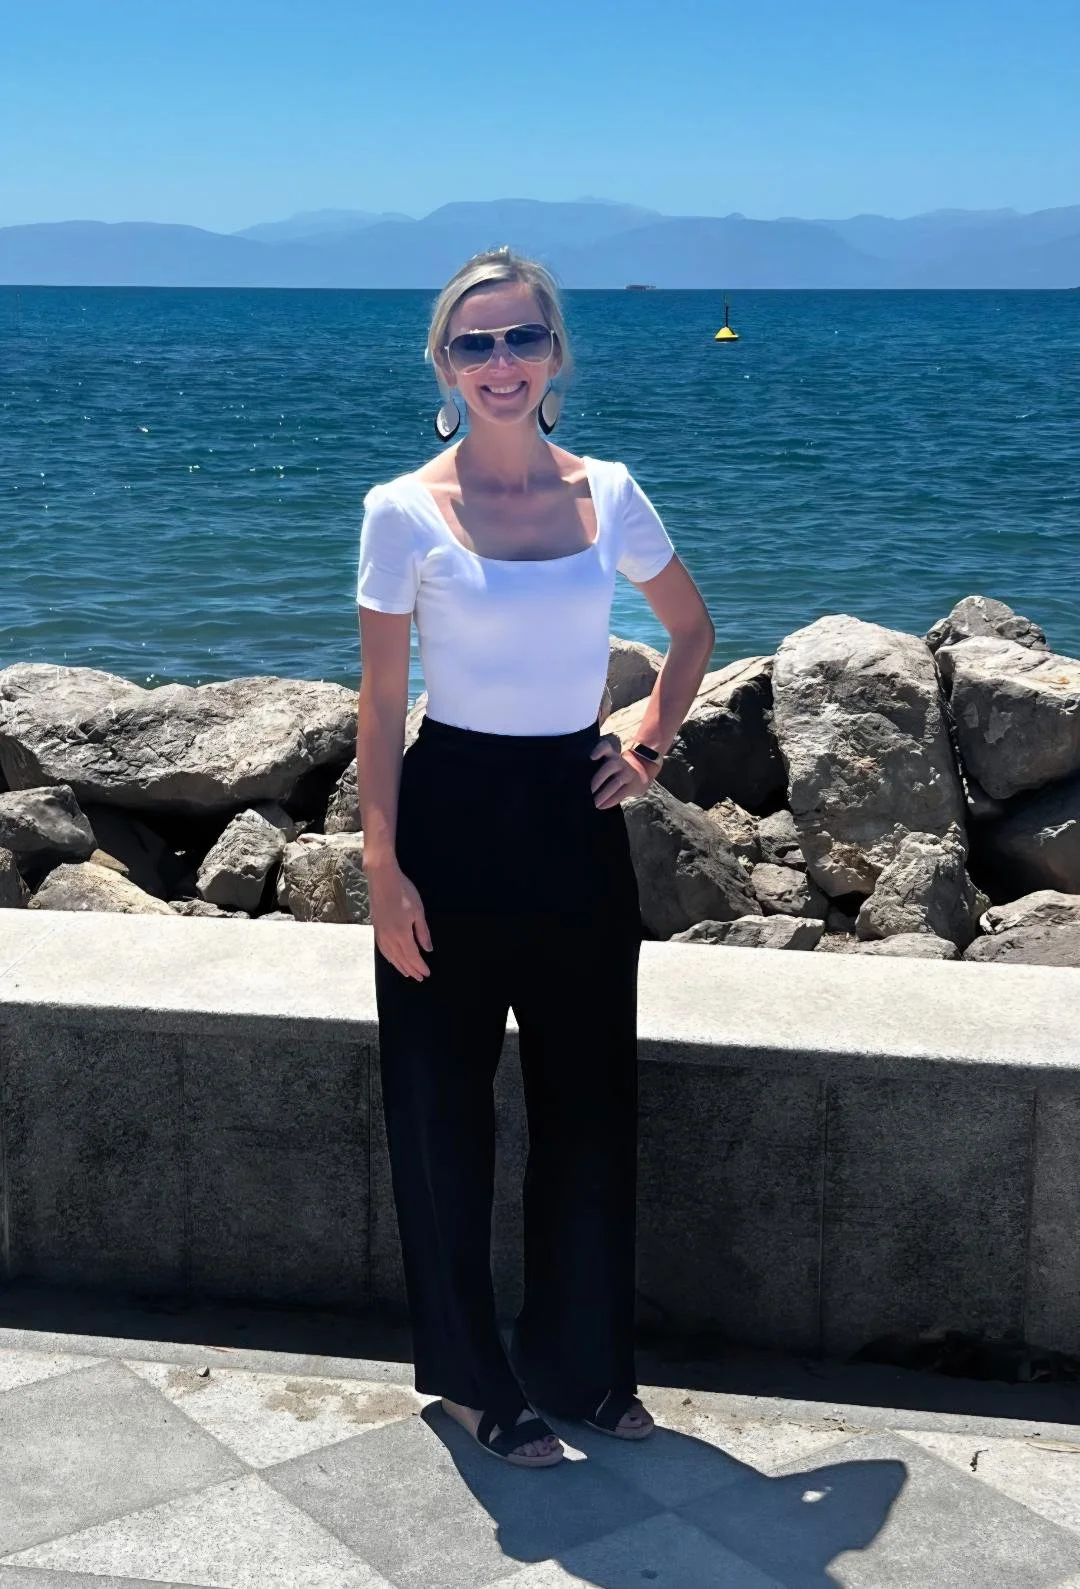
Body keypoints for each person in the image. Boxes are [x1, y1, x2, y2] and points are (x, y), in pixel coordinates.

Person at [355, 248, 715, 1469]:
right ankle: (470, 1380)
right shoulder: (402, 511)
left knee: (588, 1106)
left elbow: (690, 630)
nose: (499, 362)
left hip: (574, 817)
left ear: (556, 353)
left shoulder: (609, 492)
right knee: (440, 1108)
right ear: (444, 365)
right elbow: (380, 704)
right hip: (450, 817)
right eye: (475, 343)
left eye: (521, 338)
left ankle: (580, 1363)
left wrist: (647, 744)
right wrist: (382, 869)